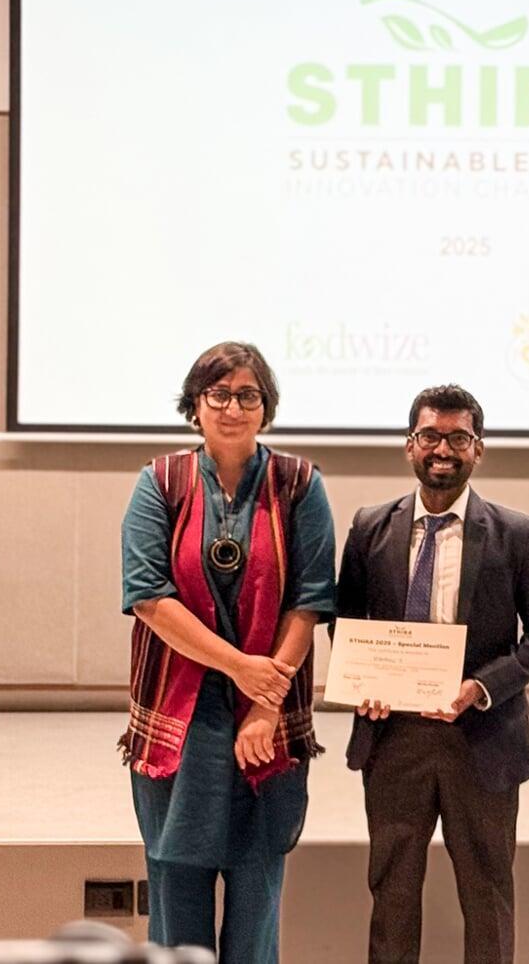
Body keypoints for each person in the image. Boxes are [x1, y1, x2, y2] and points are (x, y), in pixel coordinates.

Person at [117, 341, 337, 963]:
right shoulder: (160, 482)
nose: (233, 408)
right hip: (180, 721)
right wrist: (241, 669)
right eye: (219, 394)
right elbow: (147, 596)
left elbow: (310, 601)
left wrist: (265, 705)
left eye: (248, 395)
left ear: (267, 407)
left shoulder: (299, 484)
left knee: (256, 900)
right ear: (195, 405)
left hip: (267, 724)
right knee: (175, 899)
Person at [337, 384, 529, 964]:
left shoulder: (517, 532)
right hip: (394, 738)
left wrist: (482, 688)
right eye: (430, 436)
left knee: (488, 898)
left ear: (478, 449)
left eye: (458, 438)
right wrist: (365, 683)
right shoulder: (369, 526)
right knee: (391, 897)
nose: (443, 449)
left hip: (482, 738)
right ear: (409, 445)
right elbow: (345, 621)